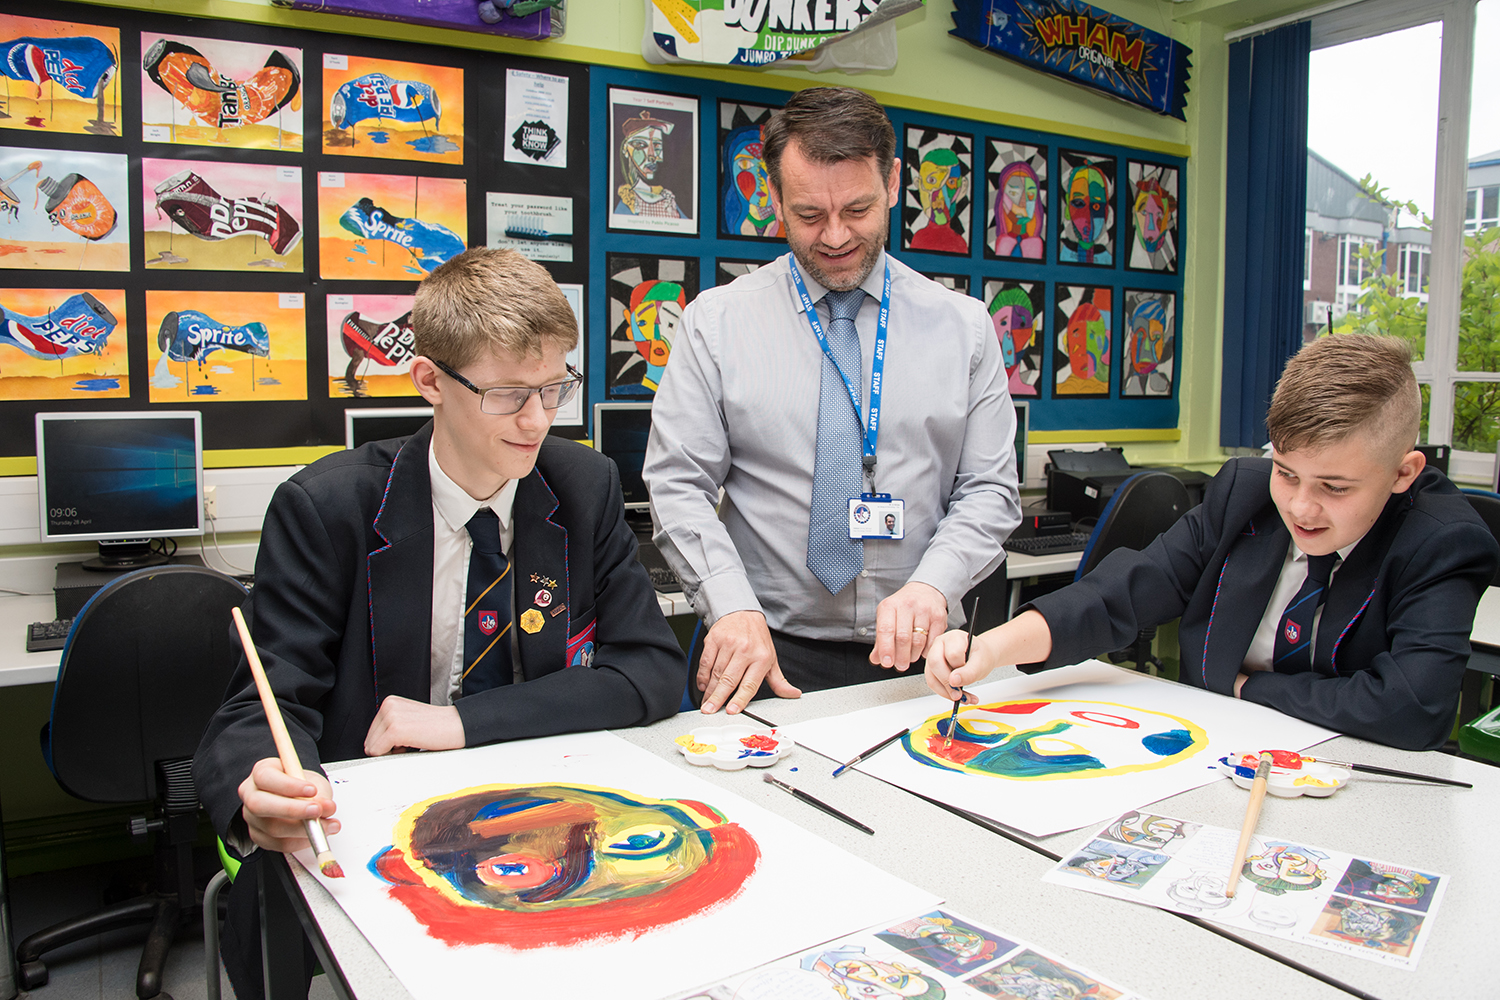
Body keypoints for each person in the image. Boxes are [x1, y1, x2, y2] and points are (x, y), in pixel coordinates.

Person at [194, 248, 688, 998]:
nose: (538, 420)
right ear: (430, 380)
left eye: (555, 387)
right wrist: (264, 787)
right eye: (507, 394)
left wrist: (456, 723)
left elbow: (651, 672)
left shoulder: (580, 485)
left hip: (540, 823)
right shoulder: (328, 509)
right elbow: (258, 709)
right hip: (376, 845)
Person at [924, 334, 1499, 752]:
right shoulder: (1245, 495)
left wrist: (1251, 687)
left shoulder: (1443, 542)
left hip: (1354, 776)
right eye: (1288, 473)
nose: (1300, 507)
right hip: (1216, 754)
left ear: (1404, 473)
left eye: (1335, 488)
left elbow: (1410, 708)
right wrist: (993, 649)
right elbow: (1124, 593)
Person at [644, 86, 1019, 716]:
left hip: (927, 656)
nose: (837, 236)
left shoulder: (966, 328)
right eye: (810, 215)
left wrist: (933, 585)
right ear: (774, 198)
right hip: (765, 651)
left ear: (895, 182)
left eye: (858, 208)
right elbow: (679, 483)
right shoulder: (716, 324)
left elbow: (990, 489)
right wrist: (728, 603)